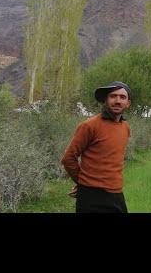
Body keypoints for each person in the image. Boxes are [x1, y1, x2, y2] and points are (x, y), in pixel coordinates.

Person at [61, 81, 132, 213]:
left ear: (128, 103)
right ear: (105, 100)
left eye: (122, 97)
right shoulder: (89, 126)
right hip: (91, 197)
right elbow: (68, 158)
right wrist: (82, 183)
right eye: (113, 96)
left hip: (116, 193)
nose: (118, 101)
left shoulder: (125, 127)